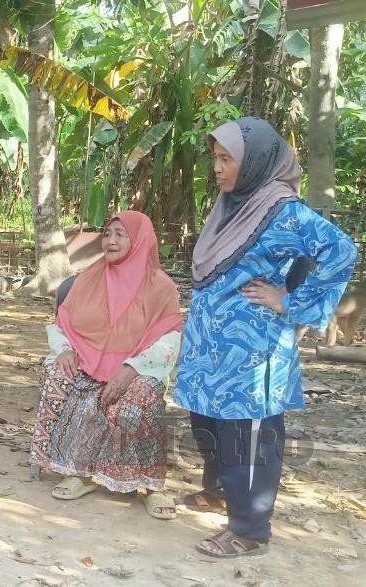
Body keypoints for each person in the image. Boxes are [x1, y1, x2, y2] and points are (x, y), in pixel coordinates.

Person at [176, 117, 358, 558]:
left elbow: (342, 250)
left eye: (226, 160)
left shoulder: (282, 210)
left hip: (252, 350)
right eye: (215, 159)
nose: (216, 169)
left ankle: (249, 529)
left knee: (247, 435)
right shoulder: (233, 204)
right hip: (211, 347)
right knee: (209, 424)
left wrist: (289, 301)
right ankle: (221, 492)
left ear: (254, 162)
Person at [30, 211, 184, 520]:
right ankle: (78, 471)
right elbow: (63, 324)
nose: (111, 240)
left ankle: (152, 487)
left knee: (141, 398)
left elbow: (169, 340)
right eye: (108, 233)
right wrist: (65, 350)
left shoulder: (161, 287)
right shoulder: (88, 277)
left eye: (120, 234)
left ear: (140, 240)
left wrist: (130, 369)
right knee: (62, 379)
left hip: (139, 369)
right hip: (87, 364)